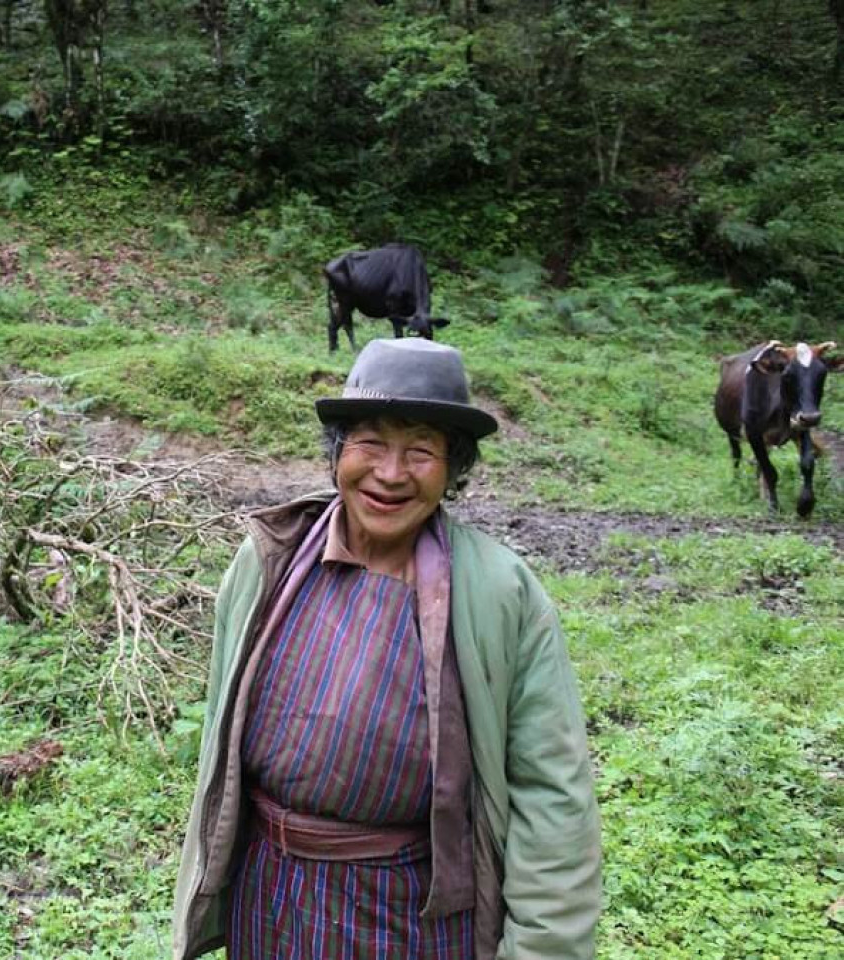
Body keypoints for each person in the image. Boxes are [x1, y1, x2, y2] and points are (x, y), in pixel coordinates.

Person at [173, 338, 601, 960]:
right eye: (370, 442)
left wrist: (545, 947)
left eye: (421, 450)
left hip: (408, 919)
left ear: (453, 470)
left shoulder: (499, 593)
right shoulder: (269, 561)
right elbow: (220, 739)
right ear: (338, 452)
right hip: (265, 901)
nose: (391, 473)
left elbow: (552, 792)